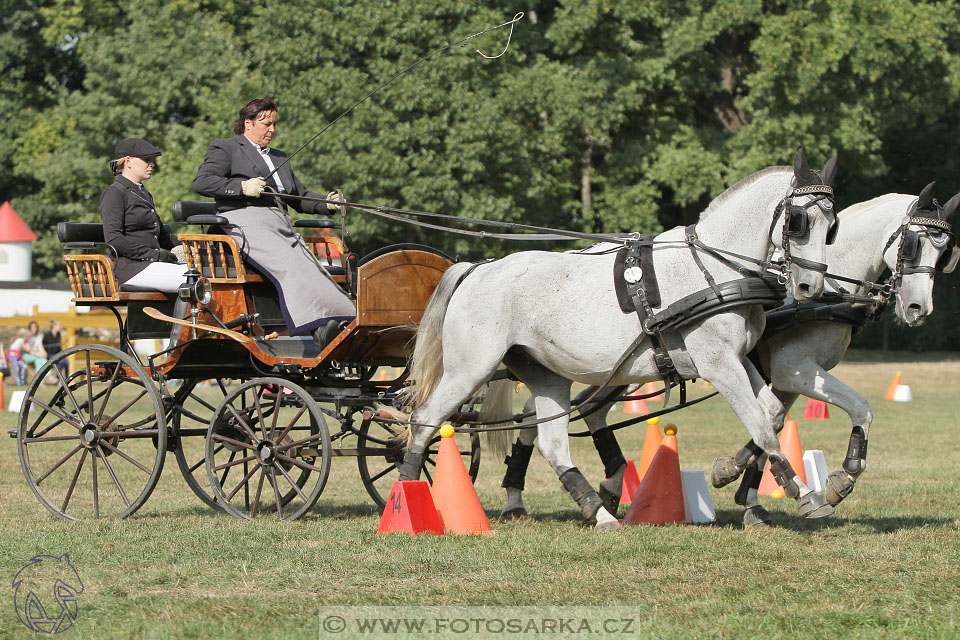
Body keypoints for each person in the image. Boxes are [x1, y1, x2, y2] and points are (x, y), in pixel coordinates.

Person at [192, 98, 355, 347]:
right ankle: (315, 327)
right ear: (248, 123)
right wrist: (242, 187)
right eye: (266, 124)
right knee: (291, 265)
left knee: (314, 265)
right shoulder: (227, 148)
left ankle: (343, 318)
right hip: (243, 220)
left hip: (279, 223)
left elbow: (298, 197)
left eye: (274, 124)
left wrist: (327, 202)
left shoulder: (279, 157)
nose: (272, 130)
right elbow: (203, 182)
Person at [101, 137, 186, 293]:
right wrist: (155, 255)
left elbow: (162, 237)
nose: (152, 164)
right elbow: (114, 239)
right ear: (128, 161)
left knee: (204, 273)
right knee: (191, 280)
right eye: (147, 160)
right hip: (130, 268)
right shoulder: (115, 192)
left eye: (152, 160)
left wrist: (194, 246)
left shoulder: (143, 193)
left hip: (150, 265)